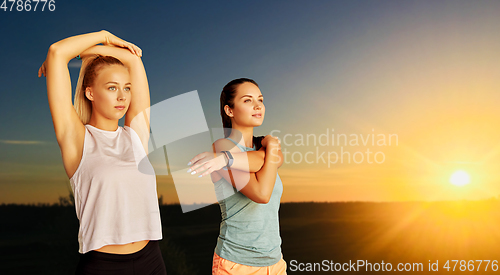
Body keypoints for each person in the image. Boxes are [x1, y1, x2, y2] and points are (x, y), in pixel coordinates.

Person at [38, 30, 166, 274]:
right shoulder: (77, 139)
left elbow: (133, 61)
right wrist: (104, 36)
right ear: (90, 93)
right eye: (111, 87)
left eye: (127, 88)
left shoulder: (136, 136)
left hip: (151, 260)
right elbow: (57, 53)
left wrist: (87, 54)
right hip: (103, 266)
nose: (122, 96)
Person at [188, 78, 287, 275]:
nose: (258, 105)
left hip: (275, 263)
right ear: (229, 111)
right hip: (236, 265)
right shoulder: (221, 147)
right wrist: (272, 145)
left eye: (260, 99)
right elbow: (261, 194)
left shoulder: (261, 150)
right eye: (248, 100)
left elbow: (270, 160)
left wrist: (228, 160)